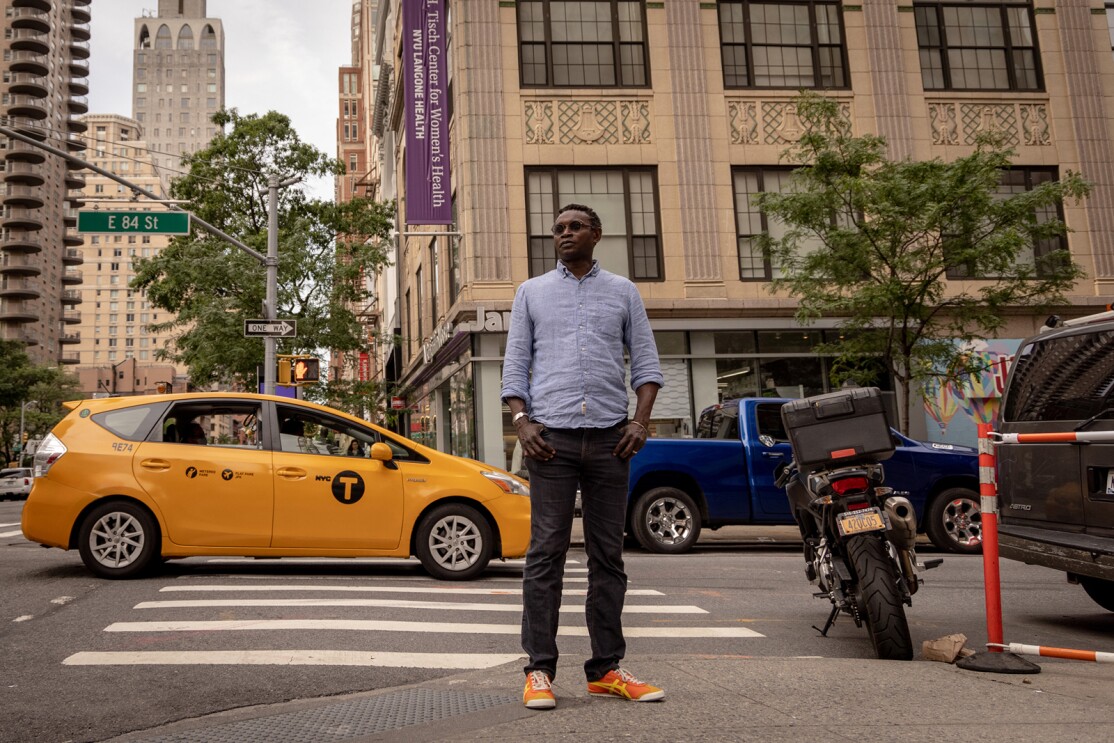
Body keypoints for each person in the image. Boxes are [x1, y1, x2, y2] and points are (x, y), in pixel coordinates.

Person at [501, 203, 665, 710]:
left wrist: (640, 422)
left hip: (612, 440)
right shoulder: (531, 292)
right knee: (545, 553)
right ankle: (538, 671)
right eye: (558, 229)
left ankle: (606, 669)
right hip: (551, 442)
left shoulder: (623, 292)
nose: (564, 234)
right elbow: (514, 367)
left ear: (597, 233)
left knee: (608, 556)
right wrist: (521, 422)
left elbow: (647, 365)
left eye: (575, 227)